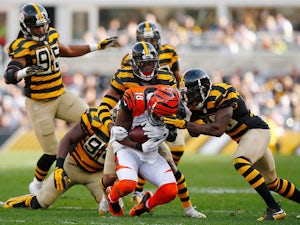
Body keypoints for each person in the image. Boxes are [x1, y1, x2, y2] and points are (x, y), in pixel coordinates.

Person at [3, 3, 119, 195]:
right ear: (25, 26)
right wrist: (22, 73)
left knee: (93, 121)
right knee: (51, 151)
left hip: (60, 94)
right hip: (39, 103)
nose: (41, 29)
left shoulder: (51, 35)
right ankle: (37, 183)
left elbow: (67, 50)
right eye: (36, 26)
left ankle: (90, 166)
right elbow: (10, 73)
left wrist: (96, 46)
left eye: (43, 25)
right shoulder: (21, 46)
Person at [164, 68, 300, 221]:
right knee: (272, 182)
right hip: (245, 139)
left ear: (203, 89)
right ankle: (281, 208)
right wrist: (185, 116)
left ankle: (275, 208)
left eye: (192, 93)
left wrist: (185, 124)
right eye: (186, 94)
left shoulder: (222, 93)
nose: (189, 97)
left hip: (256, 131)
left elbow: (218, 130)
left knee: (240, 161)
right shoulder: (197, 105)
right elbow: (196, 132)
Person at [98, 41, 205, 218]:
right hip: (125, 130)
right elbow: (104, 105)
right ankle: (108, 197)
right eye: (143, 64)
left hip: (152, 132)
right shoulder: (124, 77)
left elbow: (174, 114)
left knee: (173, 169)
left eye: (151, 63)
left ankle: (188, 208)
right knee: (110, 178)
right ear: (134, 64)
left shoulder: (166, 77)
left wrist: (166, 132)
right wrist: (110, 127)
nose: (148, 68)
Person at [3, 106, 123, 212]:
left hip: (96, 174)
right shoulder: (95, 119)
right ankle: (26, 200)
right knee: (42, 202)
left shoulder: (127, 132)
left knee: (115, 205)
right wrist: (59, 167)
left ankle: (102, 198)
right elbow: (67, 139)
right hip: (71, 166)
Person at [120, 21, 187, 204]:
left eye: (153, 39)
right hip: (137, 109)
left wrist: (180, 99)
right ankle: (131, 189)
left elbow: (177, 76)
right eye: (146, 39)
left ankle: (154, 178)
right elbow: (122, 83)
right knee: (132, 146)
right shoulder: (129, 58)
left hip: (163, 108)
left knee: (177, 146)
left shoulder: (169, 52)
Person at [106, 85, 179, 216]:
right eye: (158, 115)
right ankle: (112, 197)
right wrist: (140, 147)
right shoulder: (134, 100)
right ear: (150, 106)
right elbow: (118, 136)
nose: (160, 119)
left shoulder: (172, 101)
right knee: (128, 185)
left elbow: (173, 135)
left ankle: (145, 205)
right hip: (127, 148)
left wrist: (166, 131)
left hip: (151, 153)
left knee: (171, 191)